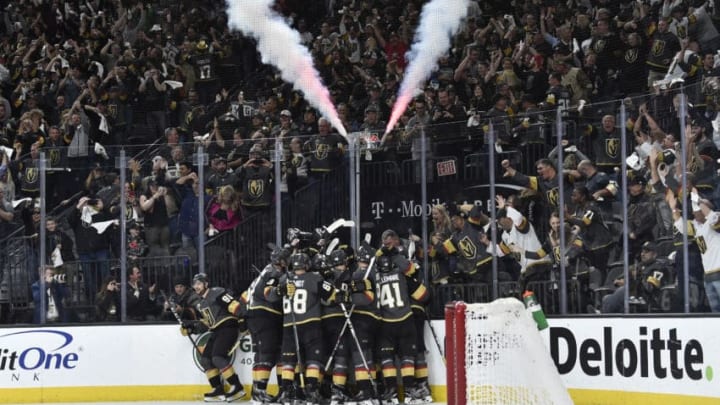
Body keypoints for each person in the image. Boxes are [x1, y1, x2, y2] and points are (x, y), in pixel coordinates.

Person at [266, 253, 337, 405]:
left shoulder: (285, 279)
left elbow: (270, 297)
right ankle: (312, 390)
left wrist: (280, 290)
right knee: (313, 360)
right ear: (306, 265)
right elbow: (332, 296)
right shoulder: (313, 278)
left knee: (289, 361)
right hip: (311, 323)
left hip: (290, 325)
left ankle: (286, 391)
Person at [181, 273, 247, 402]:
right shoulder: (200, 303)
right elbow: (207, 323)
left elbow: (235, 306)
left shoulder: (217, 292)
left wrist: (243, 321)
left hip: (228, 327)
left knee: (217, 357)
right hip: (216, 330)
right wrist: (191, 328)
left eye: (199, 283)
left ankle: (237, 387)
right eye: (195, 284)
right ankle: (218, 389)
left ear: (206, 284)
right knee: (205, 359)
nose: (196, 286)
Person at [374, 254, 429, 404]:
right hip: (406, 321)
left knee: (387, 359)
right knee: (407, 358)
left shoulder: (374, 279)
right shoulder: (402, 275)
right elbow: (424, 295)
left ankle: (391, 393)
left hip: (385, 324)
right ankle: (409, 391)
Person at [245, 247, 289, 404]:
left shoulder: (266, 271)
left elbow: (245, 296)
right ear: (281, 261)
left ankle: (257, 391)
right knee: (268, 354)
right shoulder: (274, 272)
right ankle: (260, 392)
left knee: (263, 354)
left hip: (255, 315)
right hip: (265, 314)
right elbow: (269, 295)